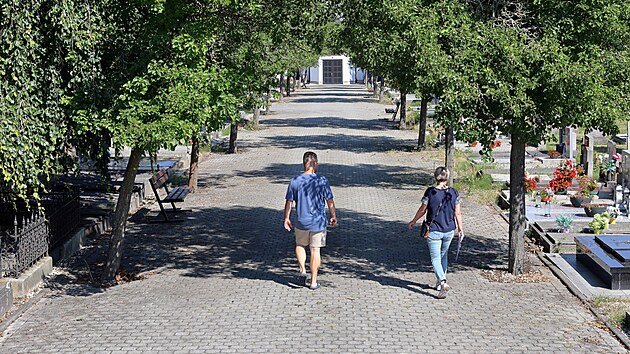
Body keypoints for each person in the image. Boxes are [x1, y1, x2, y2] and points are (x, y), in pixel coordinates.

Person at [284, 151, 337, 290]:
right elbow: (329, 201)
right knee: (315, 250)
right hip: (318, 222)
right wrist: (333, 216)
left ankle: (302, 270)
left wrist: (286, 218)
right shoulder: (322, 180)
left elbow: (289, 202)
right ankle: (313, 282)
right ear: (315, 164)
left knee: (300, 245)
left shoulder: (295, 181)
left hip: (301, 221)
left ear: (304, 164)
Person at [408, 167, 463, 299]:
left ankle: (443, 282)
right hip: (449, 230)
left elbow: (422, 210)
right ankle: (439, 282)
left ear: (435, 177)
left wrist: (413, 221)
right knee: (443, 256)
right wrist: (461, 229)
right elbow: (458, 213)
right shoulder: (454, 193)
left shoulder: (430, 192)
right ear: (447, 178)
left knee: (435, 258)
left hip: (433, 230)